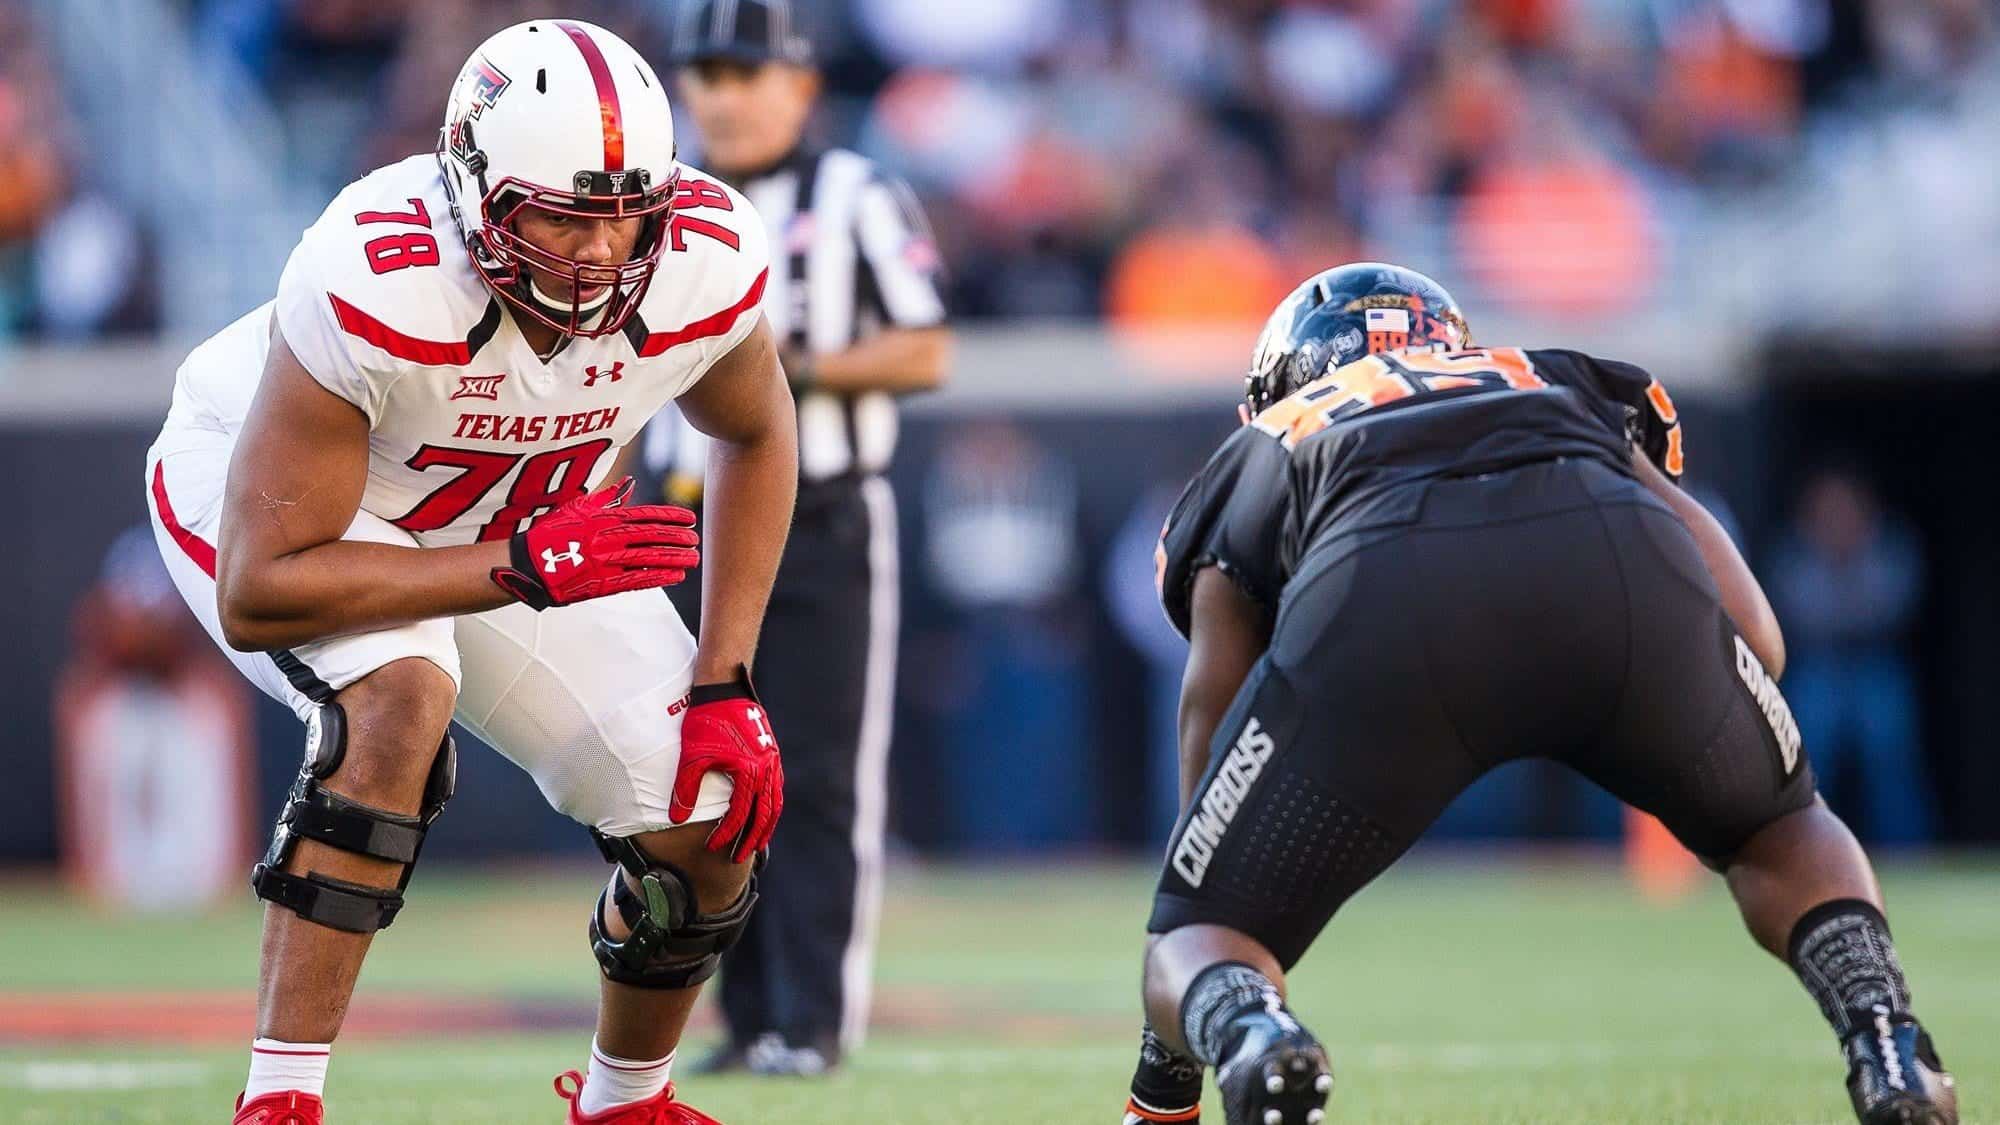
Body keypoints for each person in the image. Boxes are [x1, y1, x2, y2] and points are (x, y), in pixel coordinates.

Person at [1120, 263, 1958, 1125]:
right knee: (1778, 829)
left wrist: (1203, 908)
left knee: (1194, 937)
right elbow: (1761, 635)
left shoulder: (1271, 440)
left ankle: (1260, 1037)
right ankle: (1889, 1043)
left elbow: (1210, 712)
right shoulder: (1550, 376)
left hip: (1386, 594)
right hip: (1616, 565)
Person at [143, 20, 796, 1125]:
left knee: (708, 795)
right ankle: (281, 1102)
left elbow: (757, 431)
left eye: (619, 215)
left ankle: (625, 1101)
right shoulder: (377, 271)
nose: (594, 254)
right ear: (473, 189)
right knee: (398, 701)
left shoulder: (704, 257)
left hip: (517, 528)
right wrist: (519, 563)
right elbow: (264, 589)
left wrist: (728, 681)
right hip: (294, 513)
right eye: (557, 214)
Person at [642, 0, 951, 1075]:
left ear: (800, 85)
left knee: (815, 774)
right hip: (680, 521)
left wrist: (778, 376)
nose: (722, 95)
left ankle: (810, 1021)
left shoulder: (853, 193)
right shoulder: (657, 201)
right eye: (705, 74)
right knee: (695, 775)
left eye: (743, 71)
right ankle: (740, 1013)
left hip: (820, 513)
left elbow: (922, 349)